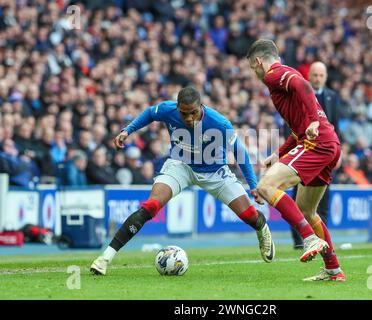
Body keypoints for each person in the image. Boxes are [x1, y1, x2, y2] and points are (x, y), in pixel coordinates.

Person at [90, 86, 274, 275]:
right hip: (180, 166)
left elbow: (240, 152)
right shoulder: (168, 110)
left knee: (249, 216)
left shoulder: (219, 122)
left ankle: (262, 229)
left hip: (215, 172)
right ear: (177, 107)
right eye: (183, 113)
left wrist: (253, 186)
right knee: (150, 206)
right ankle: (104, 258)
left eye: (193, 113)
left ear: (201, 107)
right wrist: (128, 130)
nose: (188, 118)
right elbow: (149, 114)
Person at [246, 39, 345, 281]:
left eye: (252, 67)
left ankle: (309, 239)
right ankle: (334, 269)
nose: (255, 73)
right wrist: (278, 154)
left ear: (258, 61)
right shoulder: (284, 75)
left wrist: (312, 119)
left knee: (266, 186)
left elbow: (303, 85)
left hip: (316, 143)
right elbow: (297, 129)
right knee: (307, 210)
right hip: (327, 143)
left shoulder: (273, 75)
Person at [290, 61, 340, 249]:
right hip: (305, 150)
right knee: (298, 196)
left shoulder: (332, 98)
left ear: (325, 77)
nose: (318, 78)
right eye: (315, 75)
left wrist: (339, 150)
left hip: (326, 152)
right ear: (309, 76)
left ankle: (321, 239)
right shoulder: (301, 96)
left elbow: (336, 125)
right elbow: (293, 124)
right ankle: (298, 241)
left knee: (323, 197)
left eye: (321, 75)